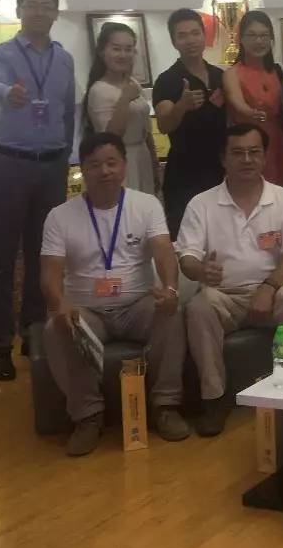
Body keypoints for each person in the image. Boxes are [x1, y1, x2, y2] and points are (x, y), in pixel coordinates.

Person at [39, 132, 189, 456]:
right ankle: (87, 416)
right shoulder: (59, 216)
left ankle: (165, 406)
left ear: (124, 165)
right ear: (82, 169)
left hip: (138, 304)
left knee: (172, 312)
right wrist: (59, 304)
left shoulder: (146, 205)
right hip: (87, 310)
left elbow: (164, 251)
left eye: (111, 163)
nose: (104, 171)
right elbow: (50, 272)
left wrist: (170, 289)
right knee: (56, 328)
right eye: (95, 165)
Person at [177, 124, 283, 437]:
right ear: (223, 158)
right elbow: (187, 257)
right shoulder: (201, 204)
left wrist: (270, 287)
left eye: (254, 152)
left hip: (271, 292)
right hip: (224, 296)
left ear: (264, 156)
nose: (247, 159)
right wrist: (200, 271)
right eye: (237, 153)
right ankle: (214, 399)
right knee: (199, 306)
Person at [0, 0, 77, 381]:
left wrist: (66, 155)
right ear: (19, 11)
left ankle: (34, 331)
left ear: (56, 13)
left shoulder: (64, 59)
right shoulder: (0, 53)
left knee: (45, 255)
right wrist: (9, 94)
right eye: (31, 5)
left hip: (51, 165)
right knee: (1, 258)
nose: (39, 11)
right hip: (9, 162)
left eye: (46, 5)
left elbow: (68, 111)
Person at [152, 8, 227, 238]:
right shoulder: (168, 80)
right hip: (185, 174)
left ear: (204, 35)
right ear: (174, 41)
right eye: (182, 35)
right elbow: (164, 125)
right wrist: (181, 106)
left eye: (195, 33)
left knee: (224, 236)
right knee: (188, 240)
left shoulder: (220, 75)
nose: (190, 40)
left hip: (222, 171)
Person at [83, 21, 157, 194]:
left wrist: (154, 162)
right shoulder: (99, 90)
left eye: (128, 49)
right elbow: (112, 136)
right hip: (118, 160)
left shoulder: (133, 83)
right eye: (116, 49)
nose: (123, 55)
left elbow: (146, 130)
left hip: (142, 156)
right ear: (102, 51)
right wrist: (124, 99)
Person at [222, 10, 283, 186]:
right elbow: (236, 101)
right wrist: (250, 112)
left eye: (264, 35)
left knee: (277, 191)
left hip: (277, 141)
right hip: (247, 144)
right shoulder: (232, 73)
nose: (258, 41)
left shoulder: (277, 71)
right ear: (241, 39)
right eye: (251, 35)